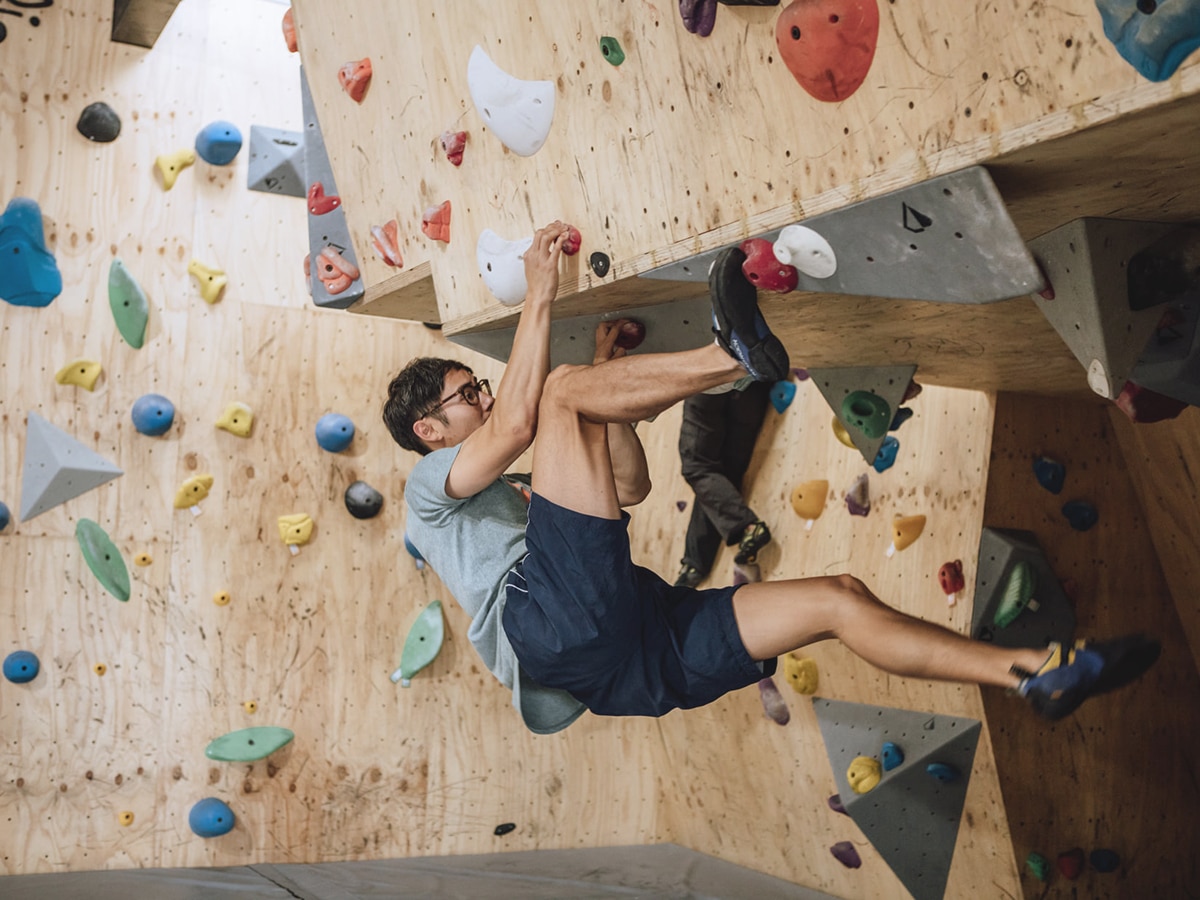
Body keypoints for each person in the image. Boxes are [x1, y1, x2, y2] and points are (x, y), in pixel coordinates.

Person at [383, 220, 1160, 734]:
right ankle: (734, 354)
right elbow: (523, 416)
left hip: (627, 657)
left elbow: (626, 491)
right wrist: (542, 294)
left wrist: (602, 392)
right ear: (429, 432)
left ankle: (1035, 676)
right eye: (467, 396)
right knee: (551, 393)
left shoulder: (520, 495)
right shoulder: (429, 494)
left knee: (838, 599)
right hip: (557, 632)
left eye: (479, 388)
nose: (484, 398)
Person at [675, 380, 773, 588]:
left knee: (697, 465)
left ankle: (746, 527)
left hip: (711, 374)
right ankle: (695, 565)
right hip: (754, 379)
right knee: (724, 474)